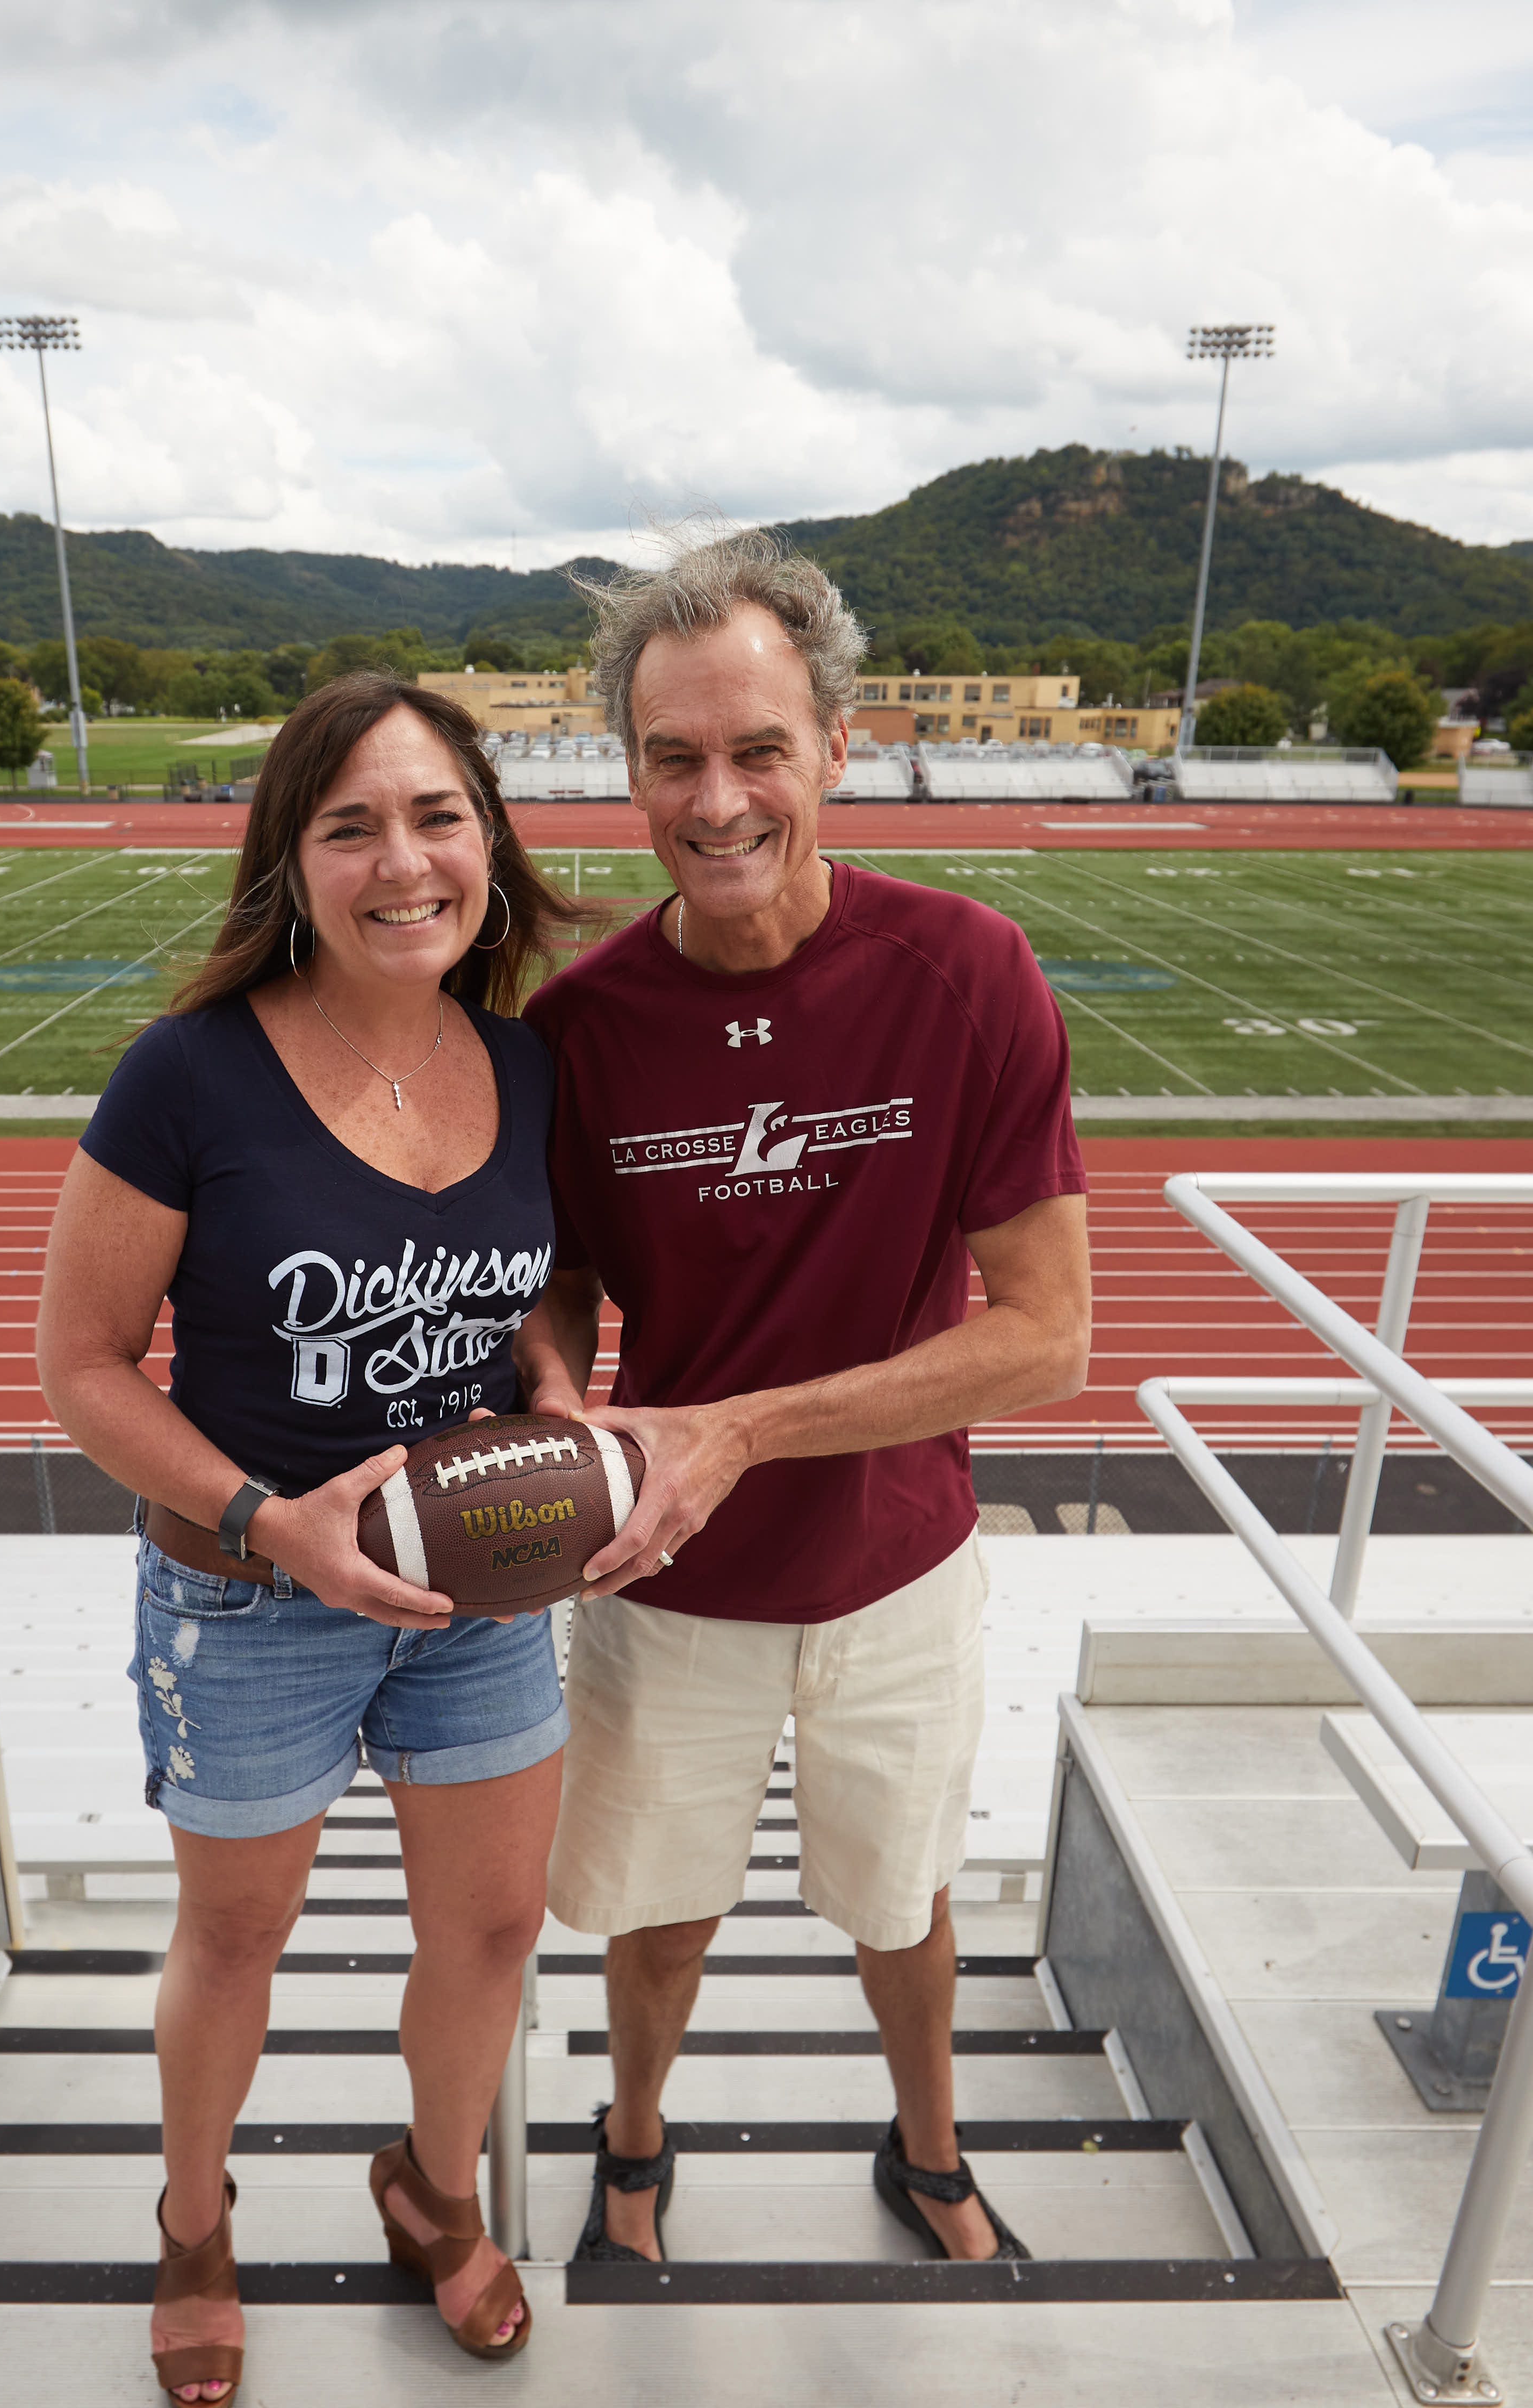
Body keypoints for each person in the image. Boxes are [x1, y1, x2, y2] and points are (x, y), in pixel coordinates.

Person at [512, 530, 1092, 2267]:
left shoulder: (970, 972)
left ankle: (927, 2148)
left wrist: (741, 1428)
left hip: (896, 1564)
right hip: (663, 1581)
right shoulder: (583, 1027)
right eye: (674, 757)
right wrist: (557, 1391)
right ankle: (631, 2141)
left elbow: (1045, 1337)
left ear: (840, 745)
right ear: (627, 773)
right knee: (655, 1909)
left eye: (758, 748)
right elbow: (560, 1282)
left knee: (901, 1903)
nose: (718, 798)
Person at [35, 671, 596, 2403]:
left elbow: (544, 1284)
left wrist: (566, 1393)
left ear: (487, 841)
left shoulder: (522, 1058)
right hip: (251, 1596)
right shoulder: (187, 1075)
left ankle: (432, 2192)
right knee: (235, 1940)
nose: (403, 860)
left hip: (477, 1587)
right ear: (291, 860)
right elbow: (77, 1366)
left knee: (497, 1930)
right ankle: (194, 2223)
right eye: (351, 825)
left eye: (437, 817)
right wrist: (274, 1523)